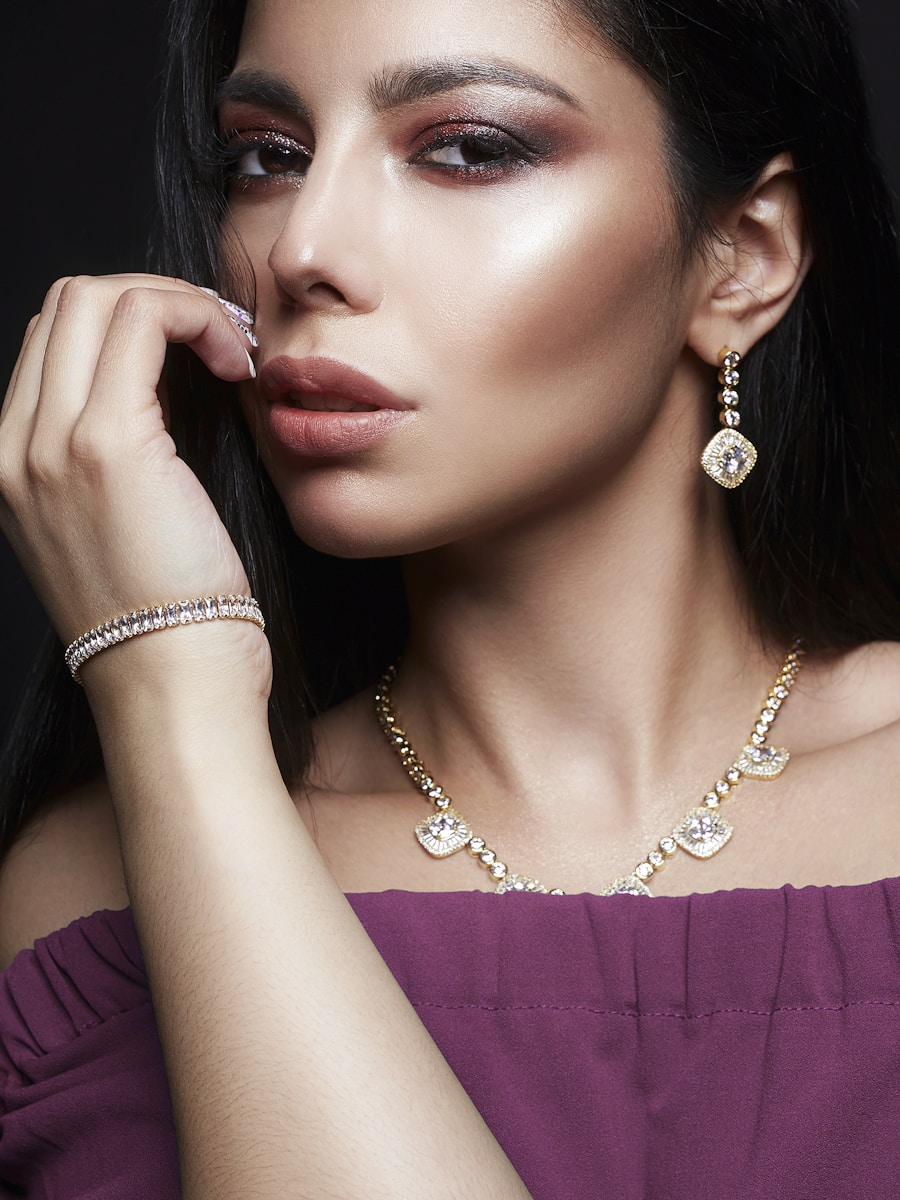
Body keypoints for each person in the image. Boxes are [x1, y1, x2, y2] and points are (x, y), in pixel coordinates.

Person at [1, 0, 899, 1195]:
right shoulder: (90, 898)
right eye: (268, 157)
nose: (304, 247)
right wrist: (171, 689)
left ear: (745, 256)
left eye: (467, 148)